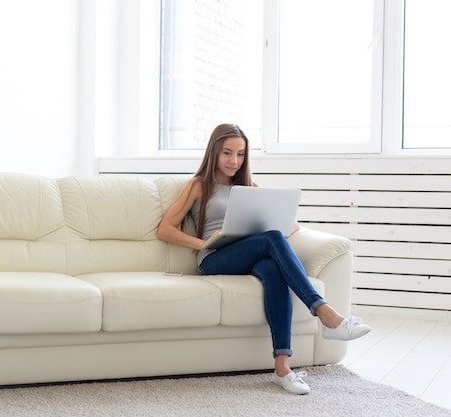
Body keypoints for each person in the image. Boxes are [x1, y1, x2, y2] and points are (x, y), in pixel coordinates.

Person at [156, 123, 371, 395]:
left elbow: (286, 225)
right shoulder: (198, 186)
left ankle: (283, 368)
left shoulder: (250, 187)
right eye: (227, 153)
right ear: (214, 152)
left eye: (241, 154)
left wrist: (287, 221)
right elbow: (165, 229)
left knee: (272, 268)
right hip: (213, 259)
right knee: (271, 238)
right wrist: (204, 243)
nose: (234, 161)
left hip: (248, 254)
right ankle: (326, 313)